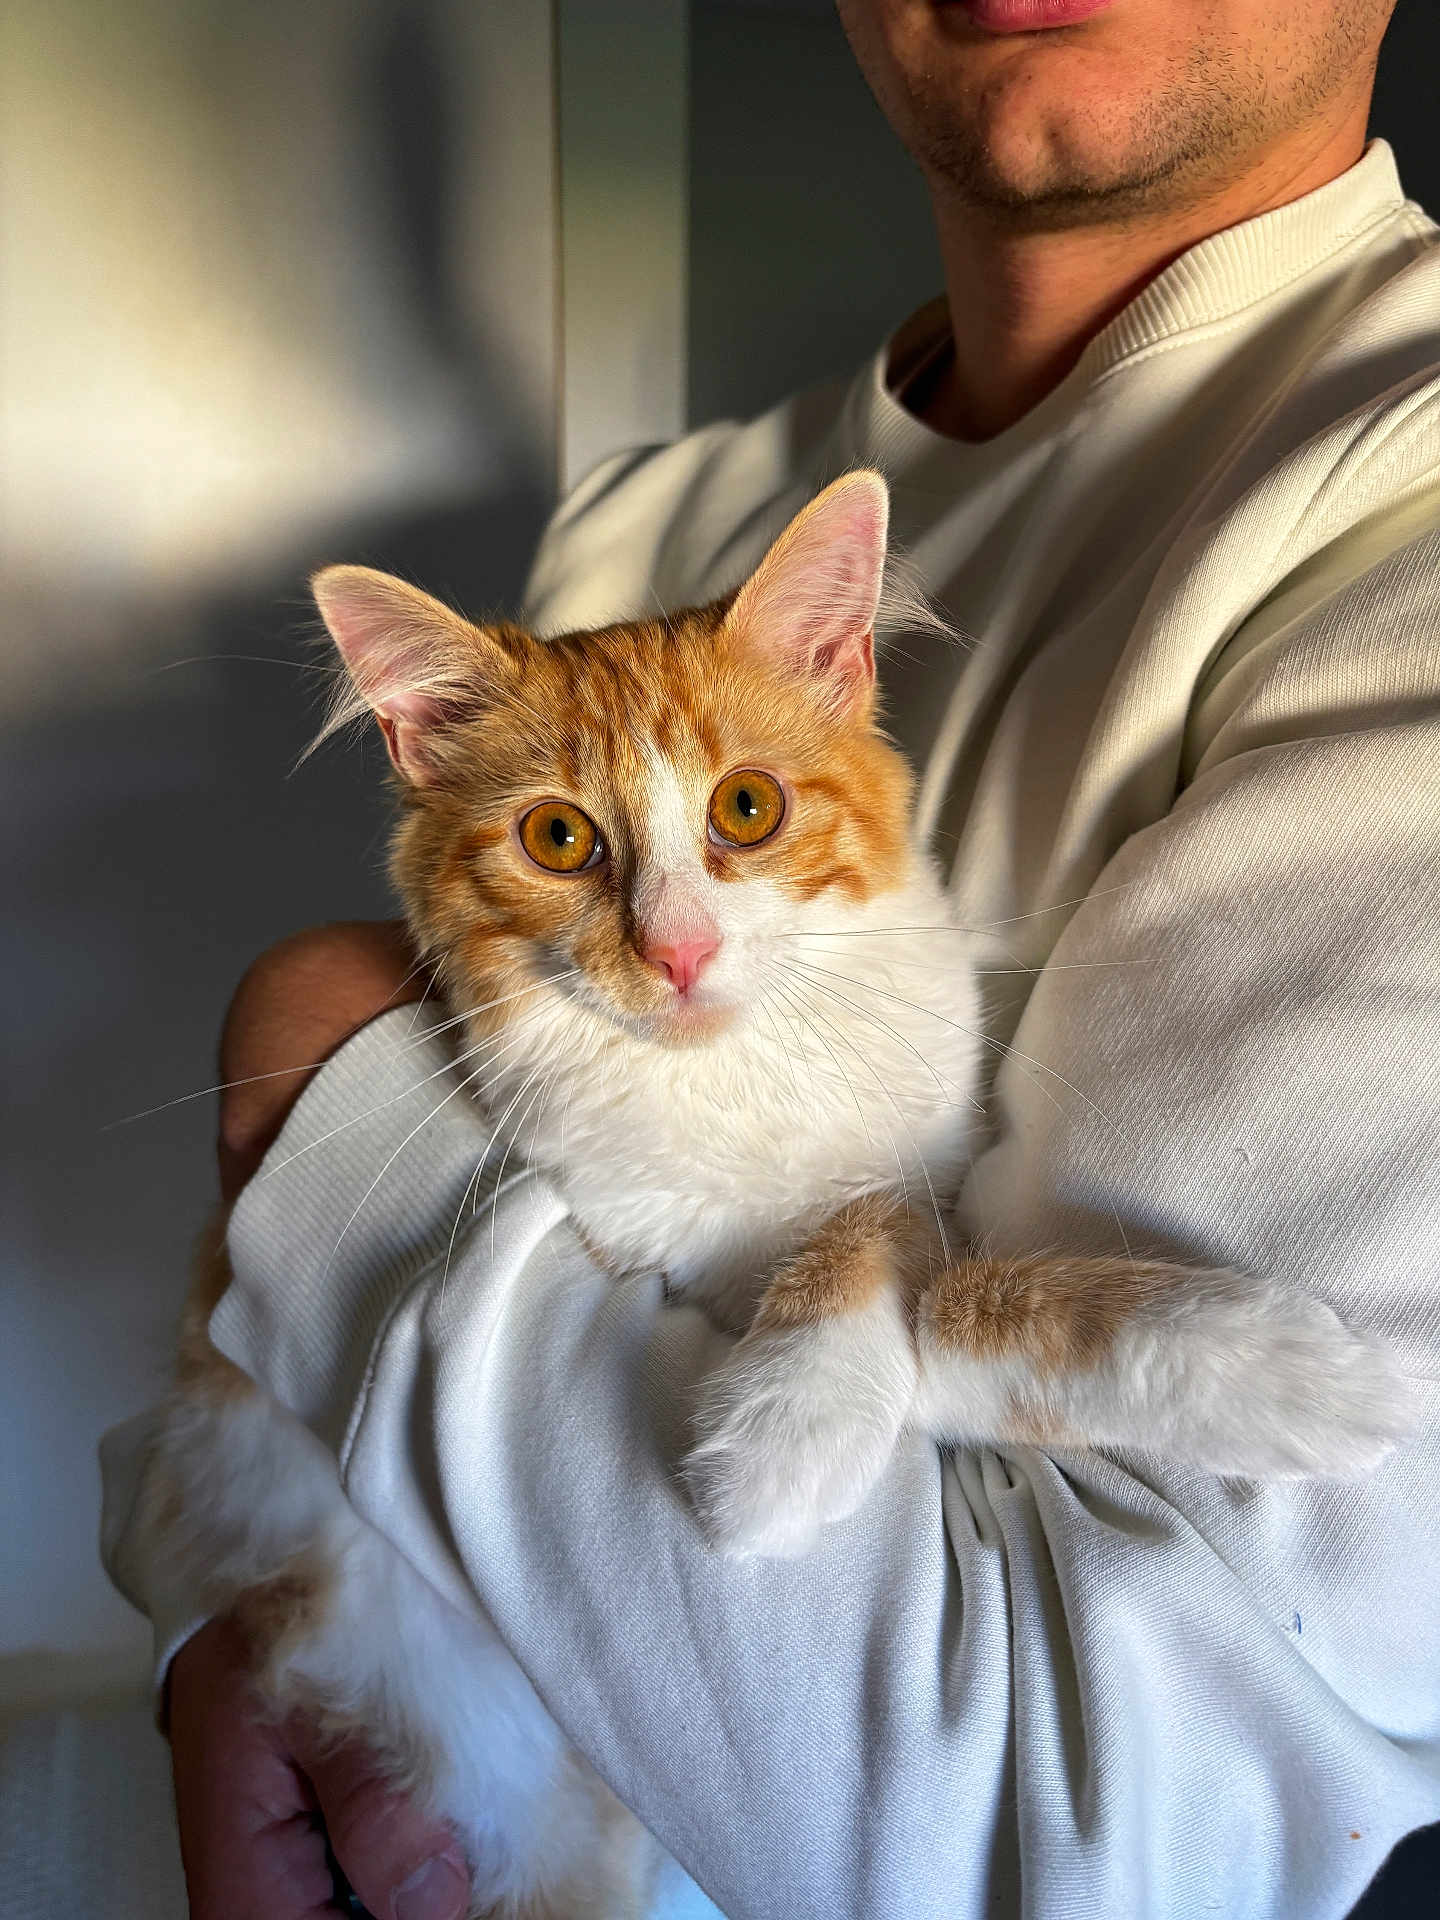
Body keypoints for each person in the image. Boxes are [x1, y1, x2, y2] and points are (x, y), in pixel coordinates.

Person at [101, 1, 1440, 1915]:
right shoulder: (656, 518)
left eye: (732, 823)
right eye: (571, 840)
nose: (664, 934)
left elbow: (1067, 1839)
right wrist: (226, 1639)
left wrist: (322, 1063)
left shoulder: (1402, 499)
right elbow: (272, 1351)